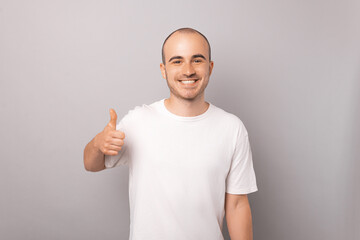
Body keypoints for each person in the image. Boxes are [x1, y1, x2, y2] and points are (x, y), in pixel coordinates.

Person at [83, 27, 258, 240]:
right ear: (163, 69)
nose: (188, 70)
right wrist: (98, 144)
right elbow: (91, 164)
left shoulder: (232, 128)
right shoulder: (139, 121)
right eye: (177, 61)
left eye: (197, 60)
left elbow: (237, 205)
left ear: (210, 67)